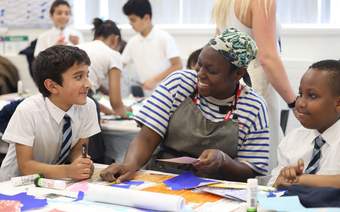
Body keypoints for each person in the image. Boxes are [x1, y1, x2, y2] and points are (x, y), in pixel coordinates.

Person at [100, 28, 270, 183]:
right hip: (164, 176)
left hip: (217, 185)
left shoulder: (253, 107)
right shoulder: (180, 83)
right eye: (200, 65)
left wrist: (224, 162)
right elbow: (147, 137)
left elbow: (251, 169)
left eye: (211, 71)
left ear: (238, 74)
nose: (201, 75)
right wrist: (130, 164)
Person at [212, 0, 296, 170]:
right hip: (259, 89)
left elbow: (217, 46)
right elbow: (268, 58)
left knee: (242, 156)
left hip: (235, 89)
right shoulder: (261, 2)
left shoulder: (224, 4)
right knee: (264, 161)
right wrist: (294, 102)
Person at [0, 45, 101, 181]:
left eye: (87, 75)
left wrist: (81, 164)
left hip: (52, 180)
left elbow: (78, 148)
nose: (88, 83)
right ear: (52, 86)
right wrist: (68, 170)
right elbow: (25, 166)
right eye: (78, 77)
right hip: (15, 183)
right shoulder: (28, 110)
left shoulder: (87, 106)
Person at [268, 60, 340, 188]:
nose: (300, 103)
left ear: (338, 103)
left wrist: (301, 180)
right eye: (300, 94)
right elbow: (272, 188)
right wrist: (281, 180)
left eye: (312, 96)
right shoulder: (293, 140)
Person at [122, 0, 183, 92]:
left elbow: (178, 65)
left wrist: (154, 80)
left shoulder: (164, 38)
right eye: (129, 20)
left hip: (167, 92)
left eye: (133, 20)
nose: (130, 24)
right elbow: (121, 64)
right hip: (147, 93)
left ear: (146, 18)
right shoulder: (132, 42)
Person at [78, 18, 129, 117]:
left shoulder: (78, 47)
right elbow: (117, 105)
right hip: (80, 104)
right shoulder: (114, 54)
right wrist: (128, 112)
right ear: (115, 39)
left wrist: (107, 106)